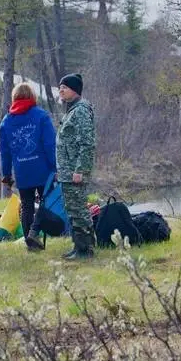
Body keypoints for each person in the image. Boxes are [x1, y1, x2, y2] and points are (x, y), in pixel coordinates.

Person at [0, 82, 57, 252]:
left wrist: (7, 173)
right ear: (33, 97)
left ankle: (29, 241)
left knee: (27, 205)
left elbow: (5, 151)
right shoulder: (41, 116)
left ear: (14, 98)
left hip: (22, 170)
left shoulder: (7, 121)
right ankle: (34, 232)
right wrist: (55, 166)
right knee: (47, 202)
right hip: (43, 169)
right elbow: (49, 144)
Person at [56, 73, 98, 259]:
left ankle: (85, 249)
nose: (61, 90)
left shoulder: (80, 110)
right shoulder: (71, 110)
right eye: (60, 87)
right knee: (72, 209)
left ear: (75, 90)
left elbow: (87, 143)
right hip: (67, 171)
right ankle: (78, 246)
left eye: (65, 87)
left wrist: (80, 170)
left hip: (75, 171)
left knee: (79, 209)